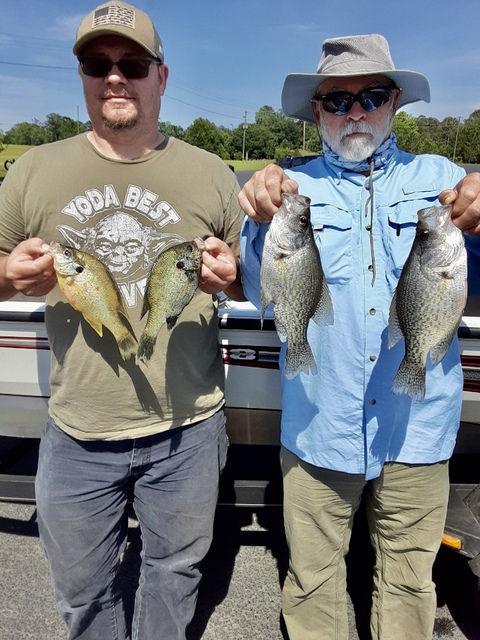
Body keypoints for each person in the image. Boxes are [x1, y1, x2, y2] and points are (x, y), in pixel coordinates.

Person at [0, 2, 245, 639]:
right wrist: (6, 276)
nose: (115, 77)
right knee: (81, 592)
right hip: (78, 427)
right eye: (97, 63)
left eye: (132, 63)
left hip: (188, 429)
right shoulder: (31, 172)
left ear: (160, 77)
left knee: (174, 573)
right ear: (81, 75)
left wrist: (237, 277)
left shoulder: (211, 172)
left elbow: (261, 278)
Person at [239, 34, 480, 640]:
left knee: (408, 581)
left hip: (419, 426)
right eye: (336, 100)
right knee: (313, 578)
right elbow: (252, 283)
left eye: (371, 95)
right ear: (315, 112)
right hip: (319, 426)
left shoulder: (447, 181)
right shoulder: (288, 191)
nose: (355, 112)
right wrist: (252, 221)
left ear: (394, 101)